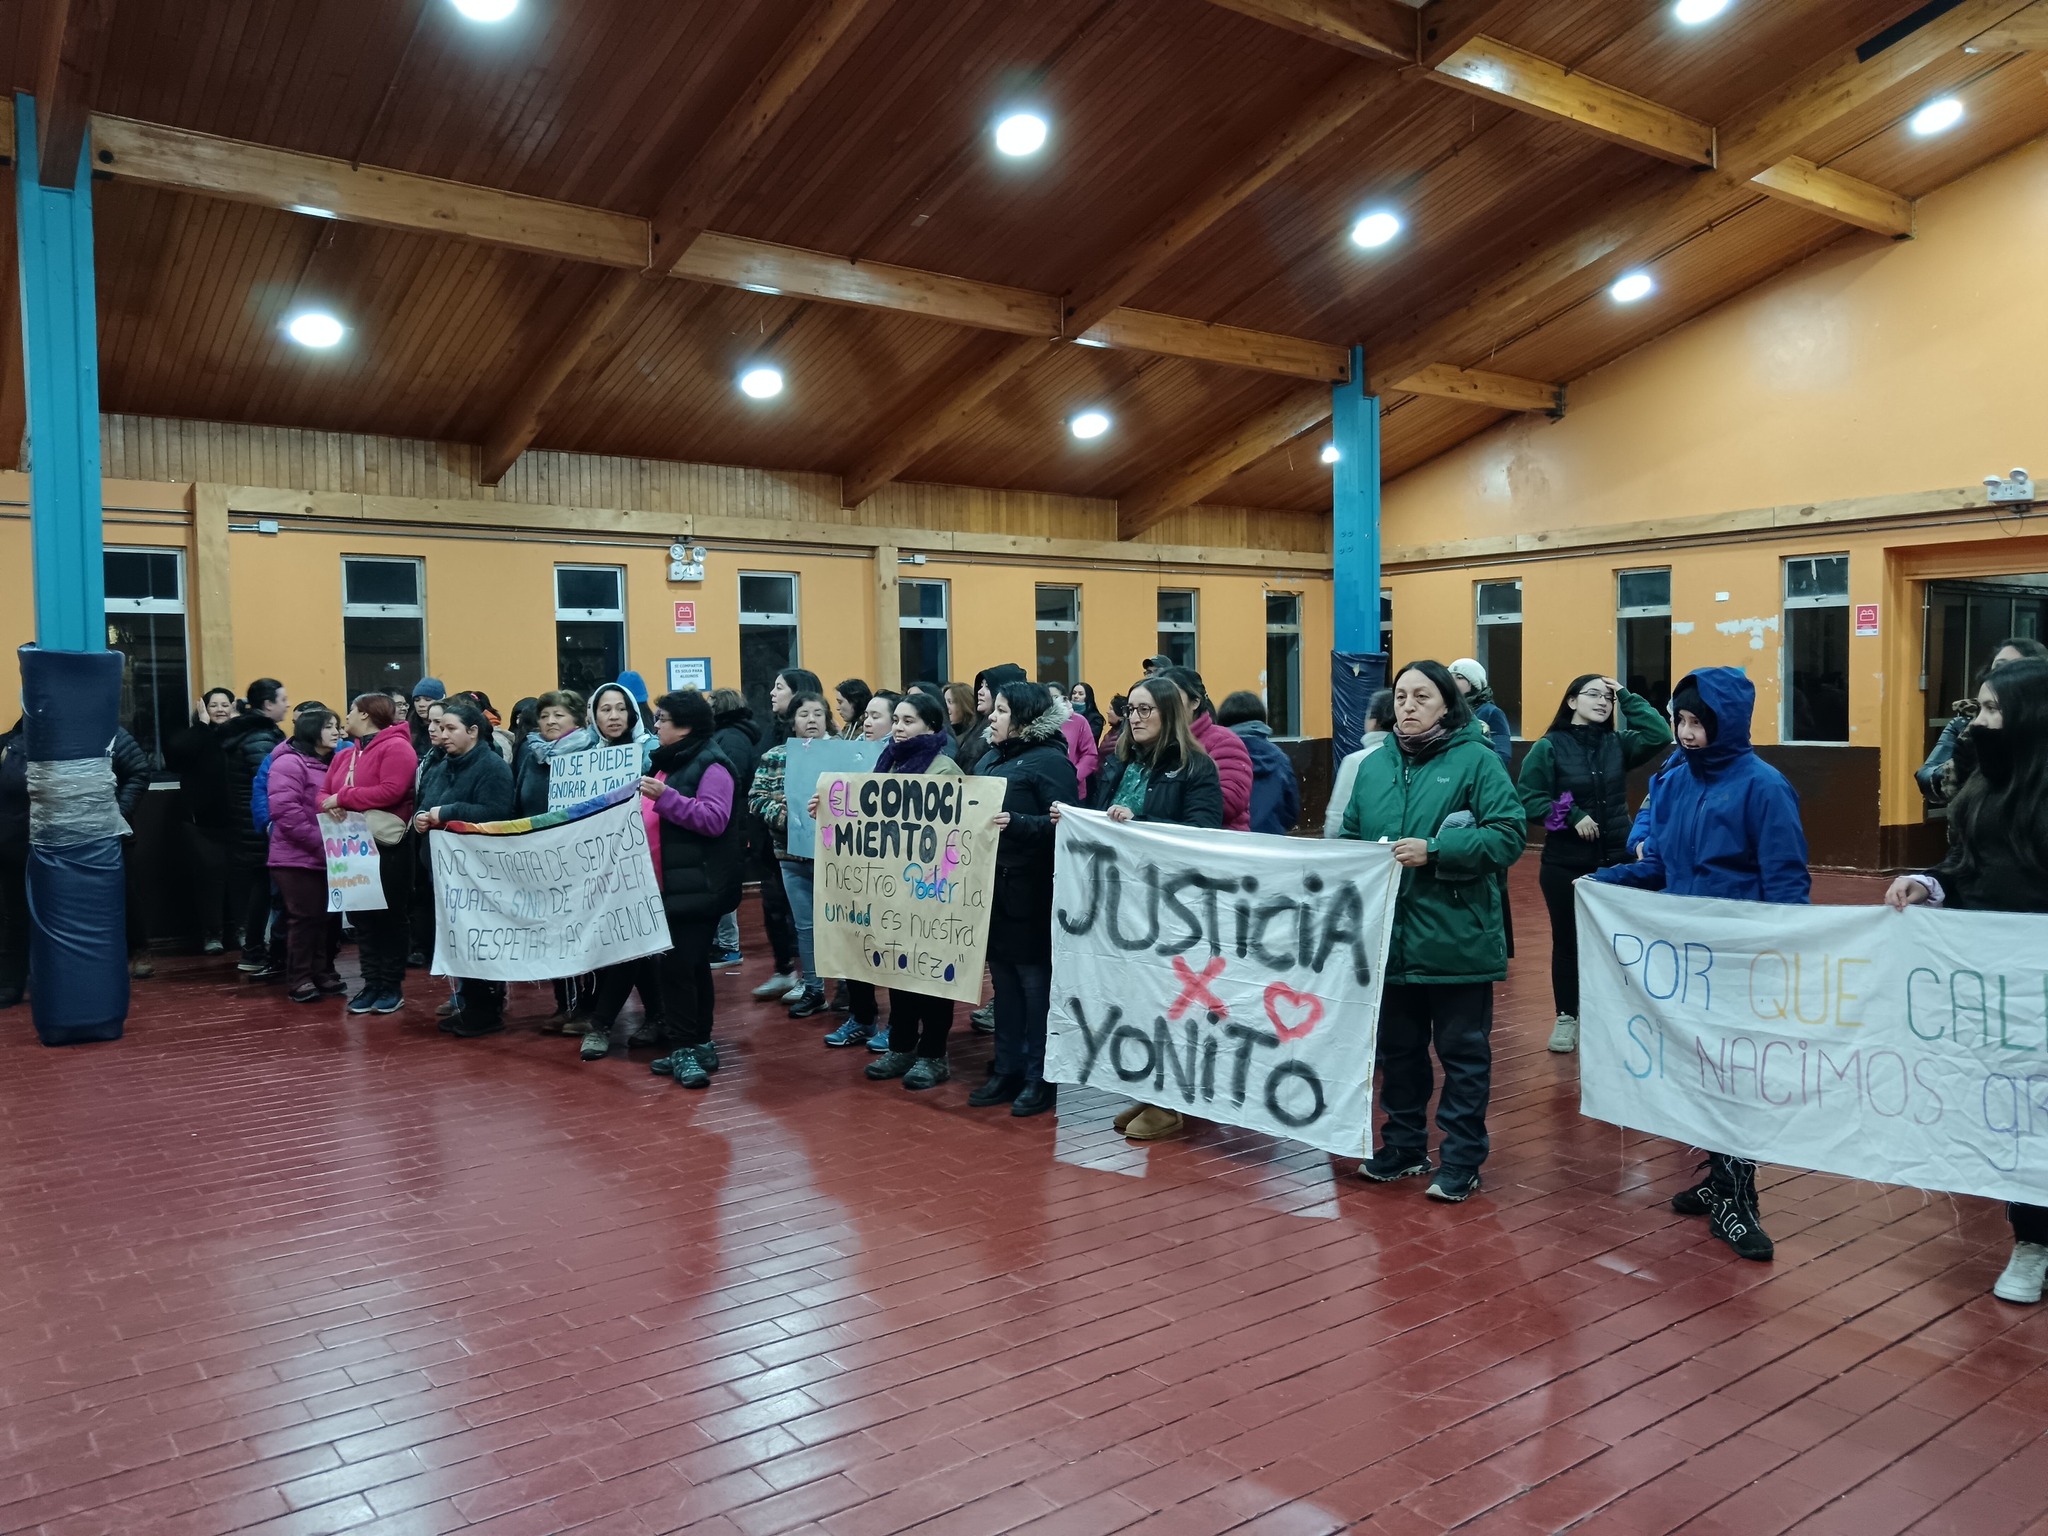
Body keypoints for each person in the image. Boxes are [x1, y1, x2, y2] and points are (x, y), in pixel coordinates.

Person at [1594, 668, 1808, 1261]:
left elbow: (1787, 884)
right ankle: (1718, 1178)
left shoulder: (1764, 787)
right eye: (1682, 722)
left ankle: (1740, 1200)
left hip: (1739, 960)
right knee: (1698, 1071)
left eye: (1699, 724)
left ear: (1727, 724)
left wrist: (1778, 955)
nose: (1687, 734)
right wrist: (1602, 881)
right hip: (1687, 957)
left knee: (1734, 1078)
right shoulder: (1673, 781)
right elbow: (1660, 863)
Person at [1885, 656, 2048, 1305]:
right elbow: (1966, 867)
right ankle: (2032, 1240)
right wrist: (1931, 883)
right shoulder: (1981, 788)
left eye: (1988, 710)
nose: (1976, 722)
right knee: (2022, 1116)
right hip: (2003, 992)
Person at [1340, 660, 1524, 1204]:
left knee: (1462, 1054)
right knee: (1398, 1051)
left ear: (1448, 703)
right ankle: (1403, 1146)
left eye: (1422, 696)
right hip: (1389, 938)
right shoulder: (1373, 767)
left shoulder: (1477, 761)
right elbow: (1350, 833)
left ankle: (1463, 1159)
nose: (1409, 705)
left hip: (1456, 936)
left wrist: (1438, 851)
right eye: (1400, 696)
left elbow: (1509, 835)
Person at [1055, 676, 1224, 1143]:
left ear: (1170, 714)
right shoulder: (1122, 762)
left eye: (1146, 709)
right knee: (1136, 999)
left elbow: (1203, 834)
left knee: (1167, 1002)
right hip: (1122, 904)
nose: (1136, 717)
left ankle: (1170, 1104)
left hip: (1171, 906)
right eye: (1131, 709)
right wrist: (1075, 819)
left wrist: (1142, 823)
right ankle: (1151, 1090)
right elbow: (1102, 816)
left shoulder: (1196, 767)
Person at [1516, 673, 1672, 1053]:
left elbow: (1657, 733)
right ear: (1571, 702)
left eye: (1608, 698)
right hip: (1564, 862)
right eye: (1593, 694)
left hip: (1617, 861)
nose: (1603, 702)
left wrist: (1626, 694)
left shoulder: (1618, 743)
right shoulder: (1548, 747)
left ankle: (1616, 1014)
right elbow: (1528, 801)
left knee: (1619, 942)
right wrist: (1570, 816)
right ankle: (1567, 1017)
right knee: (1567, 943)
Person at [970, 682, 1077, 1116]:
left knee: (1035, 988)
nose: (992, 718)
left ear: (1025, 718)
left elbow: (1068, 826)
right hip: (992, 890)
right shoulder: (991, 759)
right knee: (1005, 987)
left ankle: (1040, 1076)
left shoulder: (1051, 762)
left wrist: (1018, 823)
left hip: (1032, 892)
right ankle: (1007, 1069)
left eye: (1000, 710)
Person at [640, 690, 745, 1090]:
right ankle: (700, 1042)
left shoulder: (712, 764)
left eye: (663, 718)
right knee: (693, 967)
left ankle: (685, 1047)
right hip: (673, 886)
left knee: (680, 970)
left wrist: (666, 799)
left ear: (685, 725)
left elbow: (714, 819)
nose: (656, 724)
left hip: (697, 887)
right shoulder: (672, 761)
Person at [864, 693, 965, 1090]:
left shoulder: (944, 771)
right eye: (898, 721)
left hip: (932, 892)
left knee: (931, 976)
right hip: (893, 891)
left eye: (908, 722)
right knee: (898, 973)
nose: (899, 729)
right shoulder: (886, 763)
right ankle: (902, 1046)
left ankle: (933, 1055)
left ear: (932, 728)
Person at [412, 699, 516, 1036]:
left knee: (479, 939)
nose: (443, 735)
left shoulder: (492, 767)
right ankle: (469, 1002)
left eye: (450, 728)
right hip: (442, 871)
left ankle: (487, 1009)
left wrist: (446, 813)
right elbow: (425, 803)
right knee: (455, 938)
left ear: (473, 732)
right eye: (441, 728)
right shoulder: (443, 766)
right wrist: (421, 819)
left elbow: (497, 813)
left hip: (478, 873)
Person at [578, 680, 665, 1060]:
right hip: (601, 864)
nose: (613, 716)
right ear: (593, 716)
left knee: (631, 943)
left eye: (620, 708)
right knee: (632, 944)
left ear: (632, 712)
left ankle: (601, 1024)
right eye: (604, 709)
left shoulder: (654, 753)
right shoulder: (583, 758)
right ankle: (658, 1017)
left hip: (644, 861)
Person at [819, 691, 903, 1052]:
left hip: (894, 874)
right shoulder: (851, 754)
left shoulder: (903, 761)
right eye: (866, 715)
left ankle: (898, 1026)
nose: (868, 722)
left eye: (877, 716)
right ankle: (862, 1017)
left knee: (895, 951)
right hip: (857, 870)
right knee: (857, 945)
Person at [323, 694, 416, 1016]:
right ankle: (371, 982)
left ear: (364, 715)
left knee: (389, 917)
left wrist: (343, 797)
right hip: (350, 847)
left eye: (350, 711)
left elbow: (392, 790)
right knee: (362, 918)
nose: (345, 717)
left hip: (387, 847)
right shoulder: (345, 754)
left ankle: (391, 986)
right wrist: (332, 801)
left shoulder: (397, 747)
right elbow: (323, 793)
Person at [515, 690, 598, 1029]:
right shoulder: (531, 754)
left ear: (577, 720)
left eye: (558, 715)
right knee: (552, 934)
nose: (549, 721)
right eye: (545, 715)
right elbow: (518, 800)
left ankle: (590, 1007)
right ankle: (565, 1005)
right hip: (539, 857)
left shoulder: (592, 753)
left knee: (583, 933)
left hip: (579, 859)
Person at [749, 690, 834, 1016]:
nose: (811, 720)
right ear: (792, 720)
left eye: (817, 713)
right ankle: (813, 988)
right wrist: (789, 816)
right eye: (804, 714)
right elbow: (757, 799)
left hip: (836, 857)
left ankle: (844, 989)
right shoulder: (775, 757)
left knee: (840, 926)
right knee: (805, 926)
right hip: (792, 856)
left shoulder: (845, 755)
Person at [267, 707, 344, 1003]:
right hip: (295, 857)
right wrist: (321, 844)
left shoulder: (334, 762)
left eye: (337, 725)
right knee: (304, 917)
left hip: (331, 854)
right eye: (329, 726)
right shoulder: (289, 763)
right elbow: (285, 812)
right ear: (312, 730)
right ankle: (299, 977)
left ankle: (323, 971)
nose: (337, 731)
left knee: (328, 917)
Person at [1917, 637, 2048, 806]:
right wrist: (1961, 769)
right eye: (2000, 666)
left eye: (2017, 667)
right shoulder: (1966, 723)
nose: (2006, 675)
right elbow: (1925, 778)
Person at [166, 688, 242, 953]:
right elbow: (174, 756)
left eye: (225, 704)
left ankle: (243, 930)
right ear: (204, 710)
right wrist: (201, 726)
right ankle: (213, 934)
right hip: (202, 825)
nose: (220, 709)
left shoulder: (240, 736)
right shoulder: (196, 736)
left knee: (240, 880)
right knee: (210, 880)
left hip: (239, 822)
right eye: (213, 705)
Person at [224, 679, 290, 977]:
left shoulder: (246, 733)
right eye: (283, 699)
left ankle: (253, 948)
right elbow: (271, 784)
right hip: (259, 826)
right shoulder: (262, 739)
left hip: (244, 823)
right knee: (265, 888)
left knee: (261, 887)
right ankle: (255, 950)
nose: (287, 704)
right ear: (267, 705)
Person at [707, 687, 761, 970]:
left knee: (724, 883)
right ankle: (721, 943)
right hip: (731, 819)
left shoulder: (731, 738)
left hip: (732, 820)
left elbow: (732, 779)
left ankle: (729, 946)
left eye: (711, 703)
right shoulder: (730, 735)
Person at [1159, 666, 1252, 832]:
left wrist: (1156, 804)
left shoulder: (1224, 741)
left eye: (1173, 697)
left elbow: (1228, 803)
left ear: (1195, 702)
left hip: (1217, 846)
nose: (1167, 705)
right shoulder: (1155, 743)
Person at [1216, 690, 1300, 835]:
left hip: (1229, 843)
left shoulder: (1219, 755)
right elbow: (1291, 810)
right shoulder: (1280, 758)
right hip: (1271, 841)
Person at [111, 724, 154, 977]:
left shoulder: (112, 732)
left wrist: (118, 813)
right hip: (68, 833)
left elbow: (139, 771)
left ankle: (138, 949)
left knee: (126, 891)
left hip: (115, 830)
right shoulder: (50, 728)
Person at [1325, 688, 1395, 838]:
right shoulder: (1422, 758)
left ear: (1373, 722)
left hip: (1367, 856)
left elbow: (1336, 822)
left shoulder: (1356, 762)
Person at [953, 665, 1025, 773]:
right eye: (980, 686)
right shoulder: (974, 728)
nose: (980, 692)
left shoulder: (1001, 736)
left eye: (987, 687)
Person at [0, 720, 25, 1007]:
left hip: (39, 843)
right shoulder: (8, 746)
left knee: (15, 918)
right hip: (14, 843)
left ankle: (11, 982)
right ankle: (11, 981)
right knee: (14, 917)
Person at [1447, 658, 1513, 767]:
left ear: (1474, 683)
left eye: (1459, 678)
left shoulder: (1491, 712)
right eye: (1450, 678)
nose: (1452, 682)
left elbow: (1502, 754)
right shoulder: (1444, 710)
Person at [1057, 688, 1100, 803]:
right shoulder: (1038, 721)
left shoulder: (1079, 721)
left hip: (1074, 790)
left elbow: (1090, 754)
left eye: (1056, 697)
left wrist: (1074, 776)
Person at [408, 677, 445, 757]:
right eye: (417, 700)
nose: (421, 704)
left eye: (427, 699)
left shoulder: (449, 728)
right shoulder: (408, 727)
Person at [943, 683, 977, 755]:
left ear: (965, 705)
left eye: (950, 702)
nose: (945, 707)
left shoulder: (972, 740)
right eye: (943, 701)